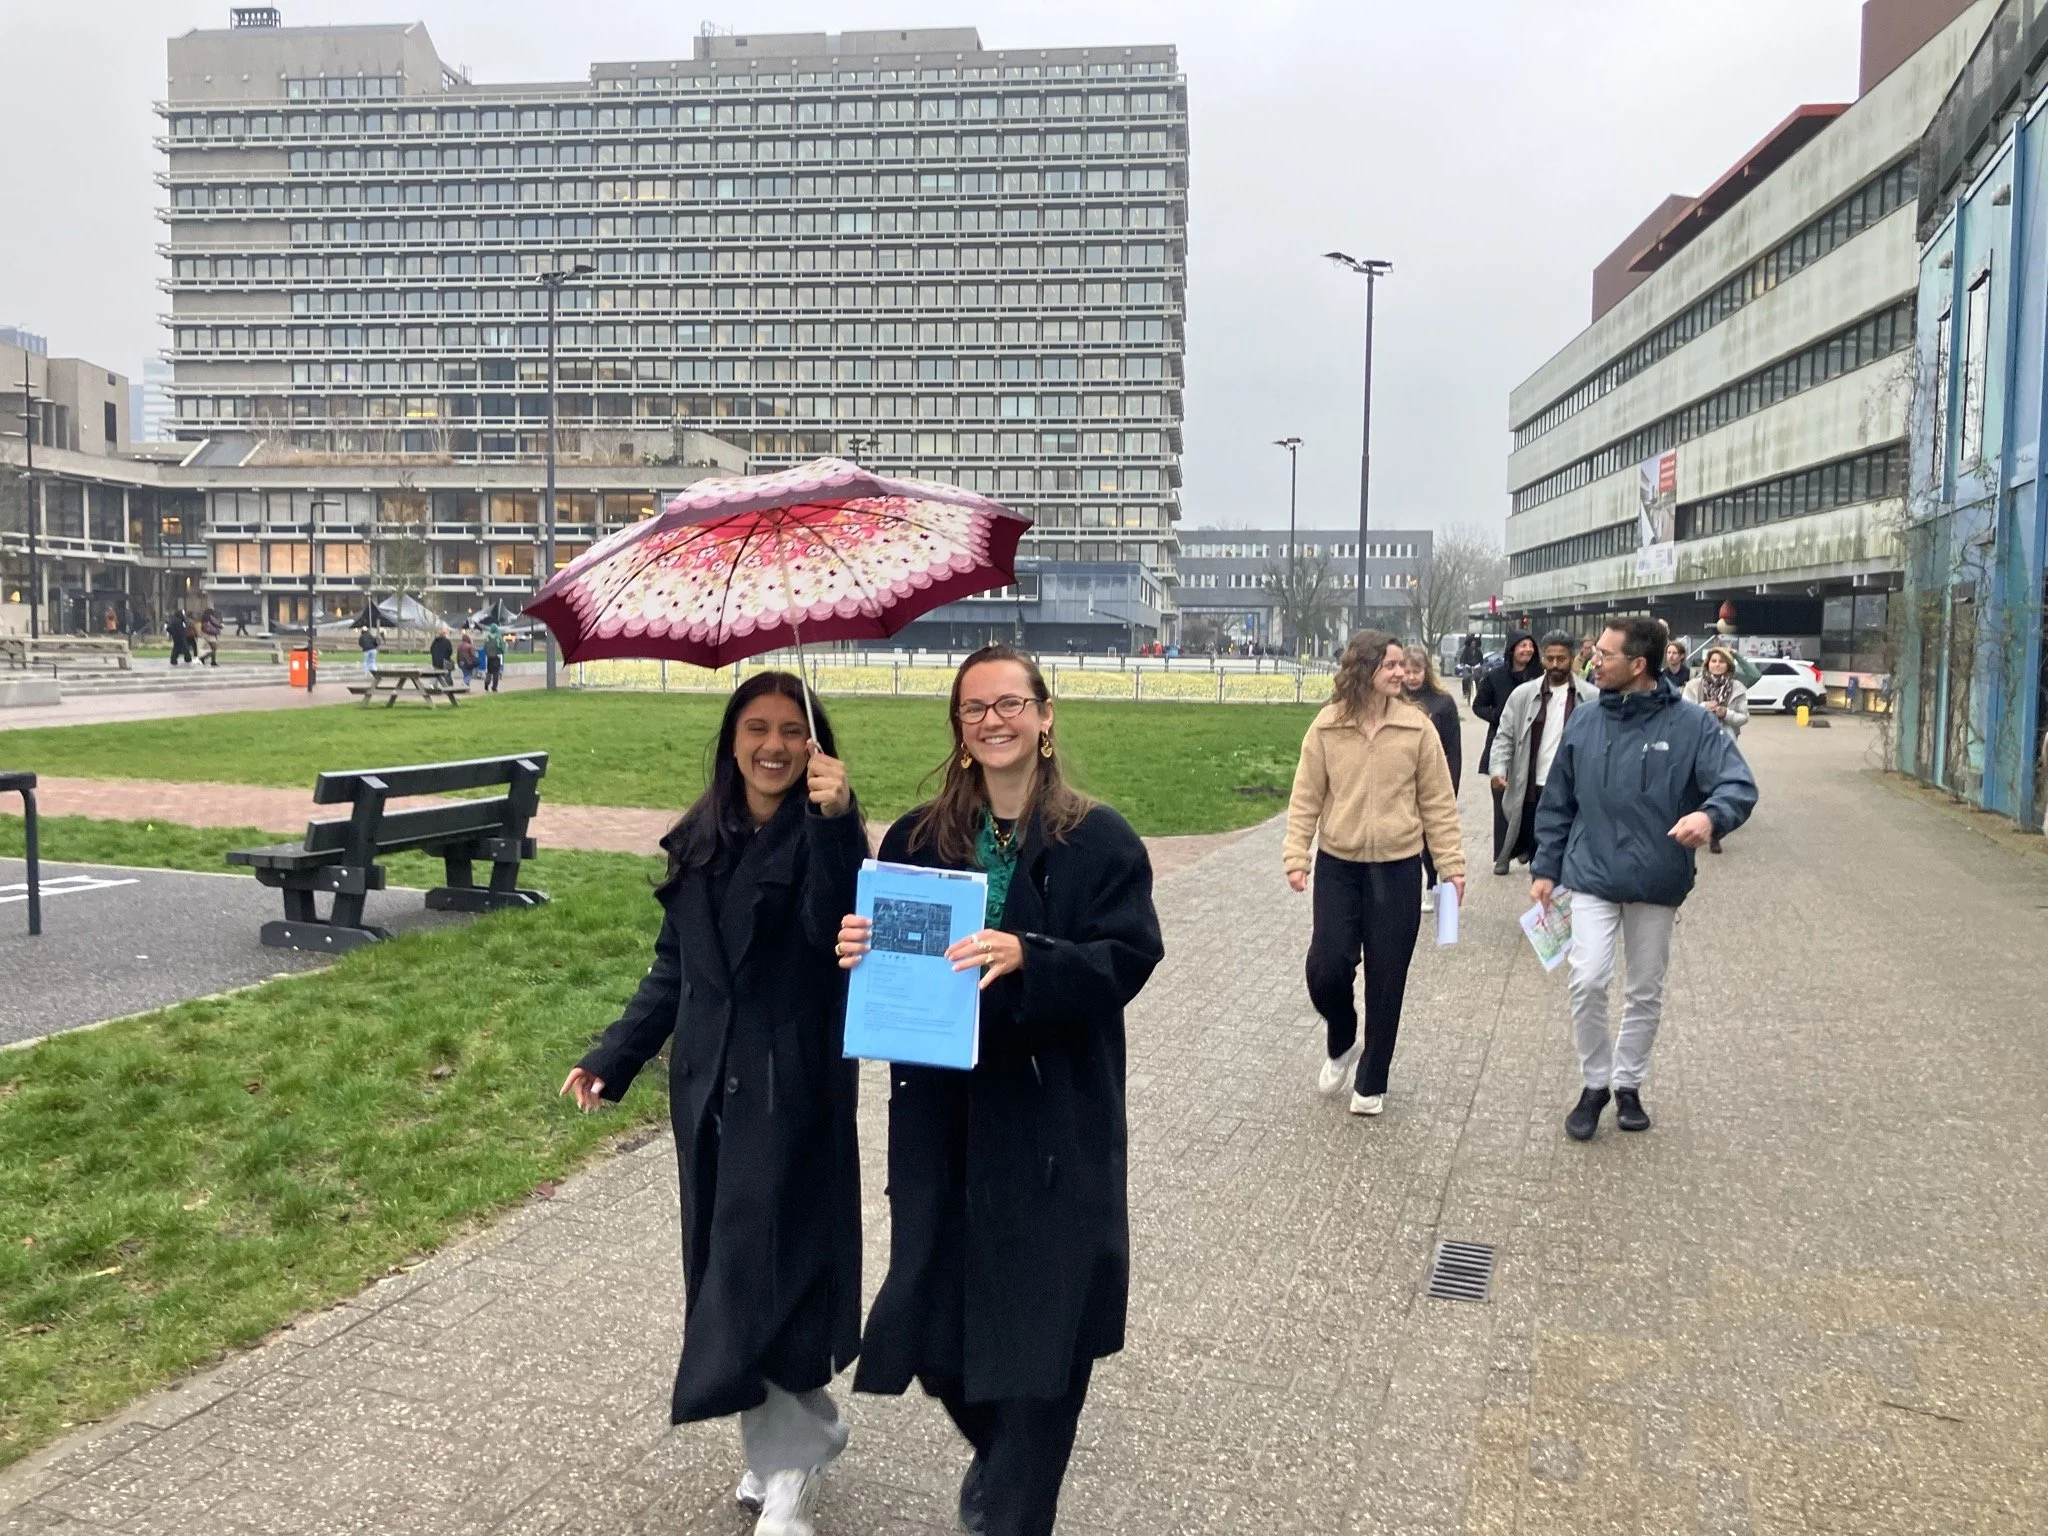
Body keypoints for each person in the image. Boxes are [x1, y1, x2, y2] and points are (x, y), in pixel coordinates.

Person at [836, 643, 1163, 1536]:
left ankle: (1016, 1504)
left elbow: (1130, 956)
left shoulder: (1100, 839)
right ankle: (1001, 1455)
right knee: (937, 1335)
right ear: (958, 726)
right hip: (944, 1120)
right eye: (975, 708)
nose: (993, 721)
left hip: (1051, 1122)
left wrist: (1034, 957)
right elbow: (893, 957)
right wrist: (862, 951)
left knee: (1044, 1351)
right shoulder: (916, 839)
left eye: (1010, 703)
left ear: (1045, 716)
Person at [562, 672, 867, 1536]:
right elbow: (676, 968)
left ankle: (792, 1466)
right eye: (756, 728)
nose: (774, 746)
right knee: (729, 1277)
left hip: (791, 1090)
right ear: (732, 741)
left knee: (775, 1276)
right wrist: (613, 1056)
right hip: (707, 1095)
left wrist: (837, 824)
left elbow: (836, 938)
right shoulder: (703, 839)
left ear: (815, 742)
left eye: (792, 730)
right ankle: (786, 1444)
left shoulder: (830, 833)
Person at [1530, 617, 1758, 1142]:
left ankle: (1628, 1083)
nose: (1593, 661)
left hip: (1657, 876)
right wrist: (1545, 867)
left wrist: (1710, 816)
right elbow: (1558, 801)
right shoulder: (1585, 722)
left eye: (1604, 655)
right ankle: (1595, 1084)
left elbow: (1738, 784)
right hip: (1590, 872)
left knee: (1645, 988)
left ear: (1638, 665)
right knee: (1588, 979)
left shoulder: (1692, 726)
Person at [1284, 629, 1466, 1118]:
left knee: (1387, 979)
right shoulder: (1327, 727)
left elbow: (1438, 803)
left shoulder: (1417, 728)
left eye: (1402, 665)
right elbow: (1306, 796)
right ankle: (1342, 1037)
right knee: (1326, 968)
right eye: (1390, 665)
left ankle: (1372, 1081)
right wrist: (1296, 854)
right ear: (1364, 669)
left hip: (1399, 869)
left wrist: (1451, 866)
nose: (1400, 672)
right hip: (1338, 867)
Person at [1488, 630, 1598, 876]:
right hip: (1533, 790)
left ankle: (1564, 897)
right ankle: (1543, 897)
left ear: (1572, 656)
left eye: (1561, 658)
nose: (1555, 664)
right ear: (1542, 659)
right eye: (1550, 658)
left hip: (1571, 790)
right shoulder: (1522, 695)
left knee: (1571, 854)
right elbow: (1504, 736)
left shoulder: (1591, 698)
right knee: (1540, 858)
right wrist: (1498, 768)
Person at [1401, 642, 1462, 913]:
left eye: (1417, 671)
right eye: (1407, 671)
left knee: (1433, 837)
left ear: (1426, 671)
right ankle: (1415, 887)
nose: (1412, 677)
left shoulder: (1443, 702)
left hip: (1434, 779)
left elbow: (1454, 748)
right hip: (1404, 780)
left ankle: (1435, 886)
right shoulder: (1393, 700)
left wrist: (1452, 785)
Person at [1471, 633, 1539, 870]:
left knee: (1530, 800)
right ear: (1512, 649)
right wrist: (1498, 717)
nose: (1527, 649)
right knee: (1502, 803)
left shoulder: (1539, 677)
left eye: (1531, 646)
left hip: (1531, 744)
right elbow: (1478, 706)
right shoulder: (1495, 677)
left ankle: (1526, 847)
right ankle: (1503, 855)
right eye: (1522, 645)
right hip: (1501, 742)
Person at [1682, 645, 1750, 854]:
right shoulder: (1694, 685)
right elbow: (1684, 710)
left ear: (1728, 665)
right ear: (1707, 664)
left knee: (1720, 785)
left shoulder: (1737, 687)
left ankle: (1716, 833)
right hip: (1697, 738)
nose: (1717, 665)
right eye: (1713, 661)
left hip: (1725, 740)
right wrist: (1703, 707)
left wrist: (1724, 712)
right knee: (1697, 783)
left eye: (1721, 661)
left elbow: (1743, 717)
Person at [1456, 634, 1484, 702]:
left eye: (1474, 643)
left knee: (1479, 679)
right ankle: (1465, 692)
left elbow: (1481, 661)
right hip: (1468, 667)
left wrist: (1479, 665)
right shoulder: (1466, 651)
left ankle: (1478, 692)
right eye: (1472, 643)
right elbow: (1462, 659)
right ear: (1470, 644)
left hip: (1476, 668)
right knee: (1465, 679)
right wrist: (1464, 664)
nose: (1473, 645)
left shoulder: (1479, 652)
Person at [482, 622, 505, 692]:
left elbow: (484, 646)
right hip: (496, 657)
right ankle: (494, 688)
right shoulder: (498, 637)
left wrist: (487, 653)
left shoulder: (487, 637)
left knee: (489, 671)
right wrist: (502, 651)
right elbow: (502, 647)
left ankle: (486, 683)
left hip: (489, 657)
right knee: (496, 673)